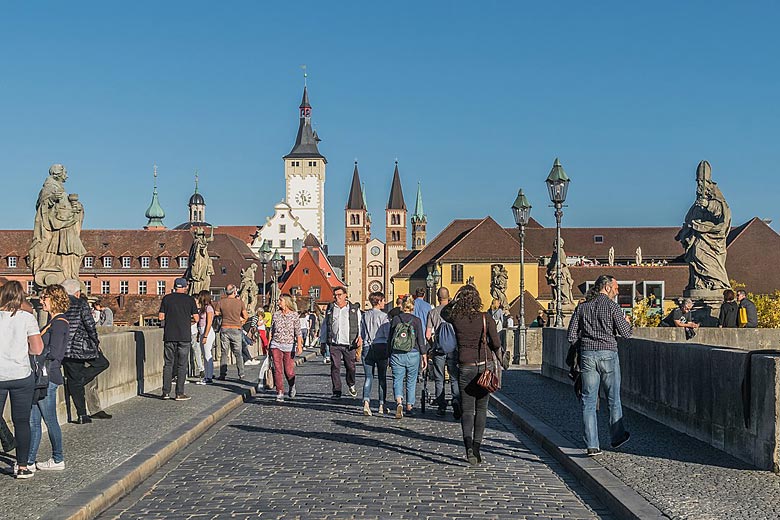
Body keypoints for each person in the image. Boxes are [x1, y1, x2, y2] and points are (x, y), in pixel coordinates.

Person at [567, 274, 633, 457]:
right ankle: (617, 437)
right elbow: (626, 334)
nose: (617, 291)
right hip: (608, 355)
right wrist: (627, 323)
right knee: (613, 399)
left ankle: (592, 445)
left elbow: (571, 336)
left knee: (588, 401)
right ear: (607, 287)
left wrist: (586, 339)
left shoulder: (583, 307)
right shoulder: (613, 307)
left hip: (587, 356)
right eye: (616, 287)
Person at [441, 284, 500, 464]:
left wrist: (456, 299)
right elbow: (496, 344)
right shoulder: (485, 318)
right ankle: (476, 447)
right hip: (484, 366)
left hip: (465, 366)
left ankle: (467, 447)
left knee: (467, 410)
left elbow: (444, 312)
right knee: (481, 409)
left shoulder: (456, 317)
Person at [0, 281, 44, 478]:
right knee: (22, 422)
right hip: (21, 375)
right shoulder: (27, 318)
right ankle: (23, 466)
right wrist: (21, 351)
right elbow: (37, 349)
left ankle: (8, 442)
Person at [28, 284, 69, 471]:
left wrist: (37, 355)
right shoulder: (53, 322)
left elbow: (56, 352)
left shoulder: (60, 323)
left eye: (45, 297)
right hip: (42, 377)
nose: (41, 300)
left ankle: (58, 458)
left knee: (49, 419)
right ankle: (28, 461)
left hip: (48, 377)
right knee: (33, 420)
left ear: (54, 299)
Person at [62, 279, 110, 424]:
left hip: (64, 347)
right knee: (102, 363)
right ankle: (80, 380)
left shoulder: (59, 304)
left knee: (73, 379)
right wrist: (95, 342)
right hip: (81, 346)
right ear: (77, 292)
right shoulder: (80, 303)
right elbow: (90, 325)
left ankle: (82, 415)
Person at [158, 278, 199, 400]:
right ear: (185, 287)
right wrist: (187, 320)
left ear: (175, 286)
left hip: (169, 335)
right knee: (182, 365)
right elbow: (196, 318)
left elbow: (161, 317)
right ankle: (179, 393)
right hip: (184, 336)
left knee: (168, 364)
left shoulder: (167, 298)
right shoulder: (189, 300)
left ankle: (165, 392)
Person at [319, 286, 362, 399]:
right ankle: (336, 391)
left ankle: (351, 384)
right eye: (335, 295)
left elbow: (359, 324)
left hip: (349, 343)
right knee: (335, 367)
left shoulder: (353, 309)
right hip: (335, 343)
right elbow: (325, 325)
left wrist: (360, 337)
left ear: (345, 295)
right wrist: (323, 341)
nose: (337, 297)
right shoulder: (331, 308)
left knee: (351, 367)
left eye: (339, 295)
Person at [389, 295, 427, 419]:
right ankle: (409, 407)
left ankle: (399, 402)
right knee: (411, 381)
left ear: (402, 306)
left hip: (397, 353)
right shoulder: (416, 320)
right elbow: (421, 339)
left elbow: (391, 338)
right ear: (412, 307)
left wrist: (389, 354)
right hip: (413, 353)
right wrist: (424, 355)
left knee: (397, 379)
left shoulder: (395, 319)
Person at [426, 287, 461, 418]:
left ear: (437, 297)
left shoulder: (432, 312)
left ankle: (441, 406)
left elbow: (428, 334)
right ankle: (456, 399)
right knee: (454, 378)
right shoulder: (454, 311)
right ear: (449, 296)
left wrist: (433, 346)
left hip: (439, 349)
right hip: (453, 349)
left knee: (439, 378)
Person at [360, 291, 391, 416]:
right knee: (382, 377)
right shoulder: (384, 317)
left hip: (368, 346)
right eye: (383, 300)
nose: (384, 302)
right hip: (381, 346)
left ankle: (366, 402)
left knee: (368, 377)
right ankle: (381, 405)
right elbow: (386, 334)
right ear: (378, 301)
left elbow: (361, 333)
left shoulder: (365, 315)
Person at [268, 294, 303, 402]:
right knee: (278, 369)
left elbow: (298, 332)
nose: (278, 302)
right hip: (276, 344)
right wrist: (269, 344)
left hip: (289, 345)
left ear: (286, 302)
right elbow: (272, 330)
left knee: (289, 371)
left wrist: (299, 345)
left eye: (280, 300)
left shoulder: (294, 315)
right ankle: (280, 392)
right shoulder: (276, 315)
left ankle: (292, 385)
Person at [215, 284, 248, 380]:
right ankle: (241, 374)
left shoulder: (221, 302)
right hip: (236, 328)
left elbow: (216, 314)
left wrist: (224, 315)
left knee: (224, 352)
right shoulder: (240, 303)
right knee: (238, 353)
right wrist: (241, 321)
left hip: (225, 328)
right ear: (235, 292)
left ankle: (222, 374)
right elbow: (246, 316)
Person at [197, 290, 215, 384]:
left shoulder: (209, 308)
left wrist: (205, 336)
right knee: (204, 355)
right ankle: (207, 376)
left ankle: (209, 377)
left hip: (206, 331)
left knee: (207, 354)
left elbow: (209, 323)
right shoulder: (203, 308)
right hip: (201, 331)